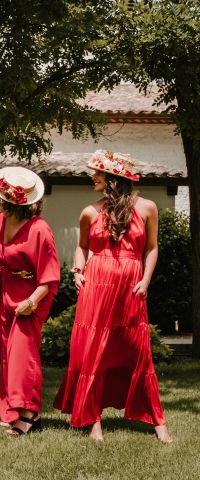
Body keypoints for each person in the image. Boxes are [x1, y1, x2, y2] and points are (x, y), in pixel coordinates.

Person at [53, 150, 173, 443]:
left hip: (131, 285)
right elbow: (82, 246)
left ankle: (158, 421)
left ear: (114, 179)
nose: (92, 176)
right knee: (94, 351)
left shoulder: (147, 208)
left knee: (137, 351)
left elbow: (152, 248)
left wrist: (145, 280)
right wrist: (78, 270)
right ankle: (93, 420)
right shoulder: (90, 212)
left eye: (98, 172)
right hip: (96, 285)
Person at [0, 166, 60, 436]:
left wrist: (32, 301)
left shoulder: (41, 230)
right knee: (7, 353)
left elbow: (49, 278)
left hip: (33, 293)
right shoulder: (2, 221)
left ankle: (30, 413)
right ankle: (12, 409)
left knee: (23, 354)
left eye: (4, 198)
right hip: (6, 291)